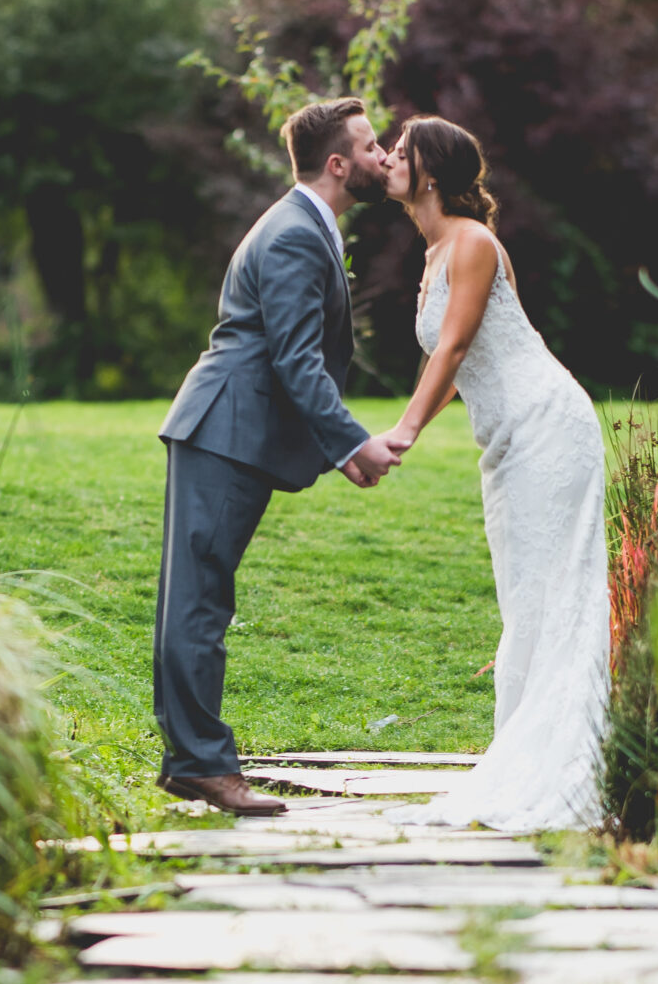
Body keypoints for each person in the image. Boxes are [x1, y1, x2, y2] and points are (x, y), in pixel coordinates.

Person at [153, 95, 403, 815]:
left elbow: (290, 357)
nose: (382, 154)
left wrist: (338, 449)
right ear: (338, 164)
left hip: (231, 429)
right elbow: (296, 360)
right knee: (198, 600)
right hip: (226, 429)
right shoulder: (295, 232)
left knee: (199, 596)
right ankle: (200, 763)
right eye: (370, 145)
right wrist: (352, 441)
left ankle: (191, 760)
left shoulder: (303, 223)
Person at [382, 117, 608, 831]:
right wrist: (407, 428)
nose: (386, 158)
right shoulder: (434, 252)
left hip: (548, 427)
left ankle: (564, 764)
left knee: (550, 594)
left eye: (399, 151)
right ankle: (524, 753)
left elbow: (451, 348)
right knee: (524, 600)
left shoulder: (473, 242)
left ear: (429, 172)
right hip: (506, 442)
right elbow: (453, 368)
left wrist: (404, 430)